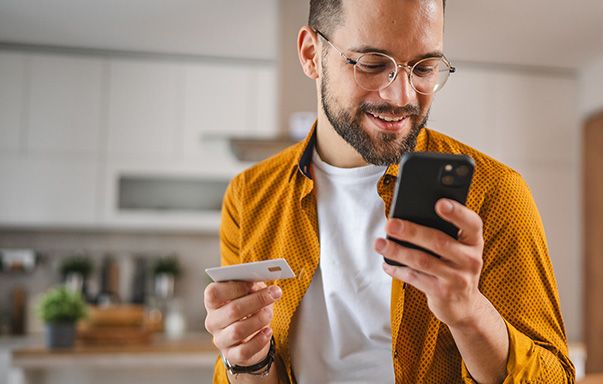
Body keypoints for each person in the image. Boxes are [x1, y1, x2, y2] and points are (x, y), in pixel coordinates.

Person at [203, 0, 574, 383]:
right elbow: (252, 369)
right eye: (373, 64)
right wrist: (247, 360)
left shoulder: (495, 193)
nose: (402, 97)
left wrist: (469, 314)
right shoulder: (249, 196)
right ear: (312, 55)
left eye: (424, 68)